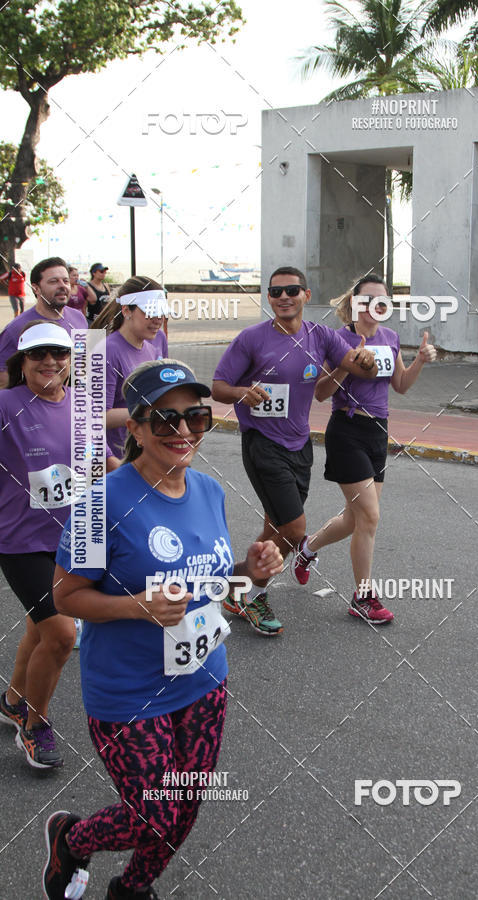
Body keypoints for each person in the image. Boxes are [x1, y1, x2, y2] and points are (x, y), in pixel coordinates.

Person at [42, 358, 283, 900]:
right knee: (153, 814)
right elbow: (65, 595)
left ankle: (131, 889)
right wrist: (136, 607)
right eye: (163, 420)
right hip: (128, 693)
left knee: (185, 807)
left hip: (204, 680)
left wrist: (249, 571)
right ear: (135, 429)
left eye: (195, 418)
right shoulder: (98, 504)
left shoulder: (208, 490)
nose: (182, 432)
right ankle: (71, 839)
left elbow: (211, 584)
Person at [211, 265, 378, 637]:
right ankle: (254, 596)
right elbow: (218, 386)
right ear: (269, 298)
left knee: (276, 525)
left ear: (305, 295)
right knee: (294, 529)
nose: (284, 297)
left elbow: (356, 363)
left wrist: (364, 361)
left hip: (300, 444)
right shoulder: (251, 339)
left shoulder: (321, 336)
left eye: (292, 291)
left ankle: (234, 582)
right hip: (262, 443)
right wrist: (242, 393)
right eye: (276, 292)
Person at [0, 322, 117, 768]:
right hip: (21, 541)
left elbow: (105, 463)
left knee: (40, 626)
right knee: (62, 634)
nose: (50, 361)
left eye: (59, 353)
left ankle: (12, 700)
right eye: (38, 354)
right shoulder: (7, 405)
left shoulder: (83, 407)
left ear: (71, 359)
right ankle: (34, 725)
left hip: (76, 537)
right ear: (22, 362)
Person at [293, 275, 436, 623]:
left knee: (354, 518)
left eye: (381, 300)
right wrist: (348, 363)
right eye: (367, 299)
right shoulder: (338, 339)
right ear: (355, 303)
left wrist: (419, 360)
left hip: (378, 432)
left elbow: (400, 385)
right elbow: (321, 393)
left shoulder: (390, 338)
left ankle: (306, 549)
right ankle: (363, 597)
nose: (374, 306)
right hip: (347, 430)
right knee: (370, 517)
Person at [92, 276, 169, 457]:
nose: (159, 319)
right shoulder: (106, 351)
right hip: (120, 457)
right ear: (127, 311)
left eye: (162, 311)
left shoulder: (159, 339)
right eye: (150, 312)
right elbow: (96, 417)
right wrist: (148, 412)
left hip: (153, 451)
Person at [0, 256, 87, 389]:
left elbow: (85, 364)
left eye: (65, 281)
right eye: (54, 281)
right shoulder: (15, 328)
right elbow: (4, 378)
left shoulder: (79, 318)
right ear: (36, 288)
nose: (62, 286)